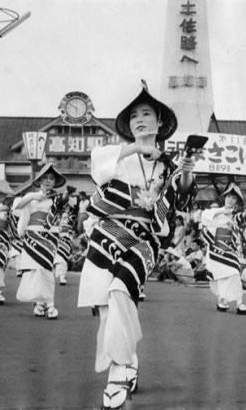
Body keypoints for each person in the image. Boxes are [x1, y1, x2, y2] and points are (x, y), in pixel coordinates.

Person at [75, 85, 197, 409]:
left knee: (120, 292)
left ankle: (117, 378)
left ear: (159, 122)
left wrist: (184, 171)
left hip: (143, 240)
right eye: (134, 116)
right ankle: (128, 361)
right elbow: (98, 168)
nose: (140, 120)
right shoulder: (116, 155)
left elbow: (181, 194)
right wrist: (136, 149)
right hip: (106, 237)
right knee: (105, 310)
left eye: (146, 114)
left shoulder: (168, 166)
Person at [15, 163, 70, 319]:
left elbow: (61, 218)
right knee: (35, 271)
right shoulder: (31, 197)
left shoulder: (58, 199)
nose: (48, 181)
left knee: (46, 270)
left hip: (49, 237)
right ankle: (40, 303)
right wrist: (33, 196)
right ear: (39, 181)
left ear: (54, 182)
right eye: (45, 178)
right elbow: (16, 207)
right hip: (32, 236)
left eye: (51, 178)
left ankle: (50, 304)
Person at [200, 183, 246, 315]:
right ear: (225, 197)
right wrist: (223, 211)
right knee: (221, 276)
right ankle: (222, 300)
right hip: (216, 248)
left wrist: (239, 220)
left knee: (234, 273)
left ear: (237, 201)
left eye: (234, 198)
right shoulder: (216, 212)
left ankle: (239, 302)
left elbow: (242, 232)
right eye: (229, 196)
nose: (230, 200)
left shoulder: (236, 216)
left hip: (229, 249)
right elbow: (204, 218)